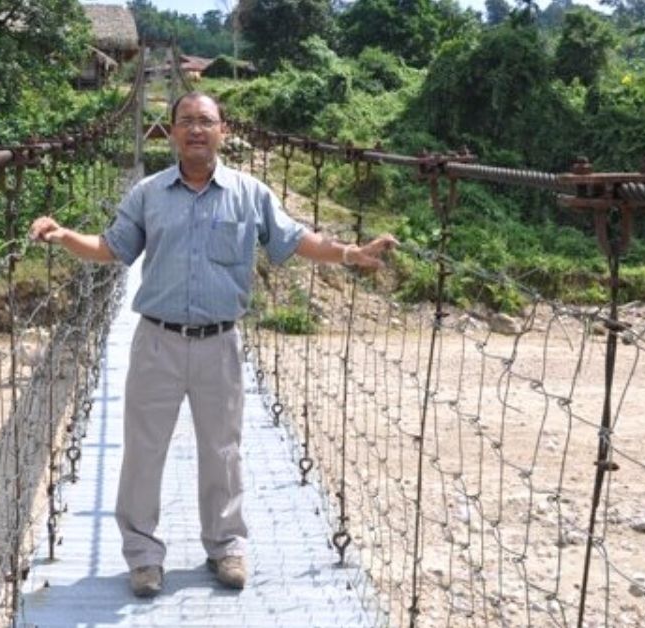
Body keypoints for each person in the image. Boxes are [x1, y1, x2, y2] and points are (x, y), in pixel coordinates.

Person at [28, 92, 397, 598]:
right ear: (171, 132)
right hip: (156, 340)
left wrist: (351, 253)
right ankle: (143, 557)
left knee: (222, 451)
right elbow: (111, 248)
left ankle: (225, 546)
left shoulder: (250, 193)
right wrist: (65, 235)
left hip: (219, 344)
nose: (196, 129)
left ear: (223, 129)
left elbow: (294, 240)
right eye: (186, 121)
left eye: (206, 121)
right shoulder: (148, 194)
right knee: (142, 452)